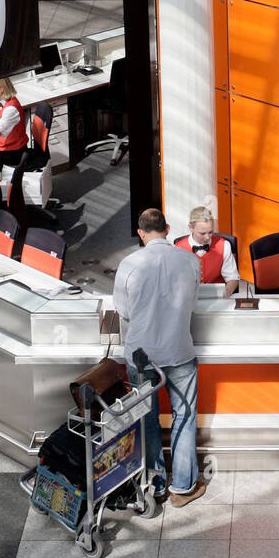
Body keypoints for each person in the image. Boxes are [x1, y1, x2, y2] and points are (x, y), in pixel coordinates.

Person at [112, 207, 205, 507]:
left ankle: (155, 483)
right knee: (184, 415)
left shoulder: (129, 263)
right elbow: (192, 306)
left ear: (141, 232)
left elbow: (123, 312)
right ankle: (182, 486)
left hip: (141, 355)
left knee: (147, 419)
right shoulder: (190, 260)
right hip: (179, 351)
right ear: (166, 228)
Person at [175, 205, 240, 296]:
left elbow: (233, 279)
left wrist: (223, 296)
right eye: (202, 233)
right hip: (188, 300)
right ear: (190, 227)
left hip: (217, 299)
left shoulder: (224, 245)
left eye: (210, 232)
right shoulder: (178, 248)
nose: (207, 237)